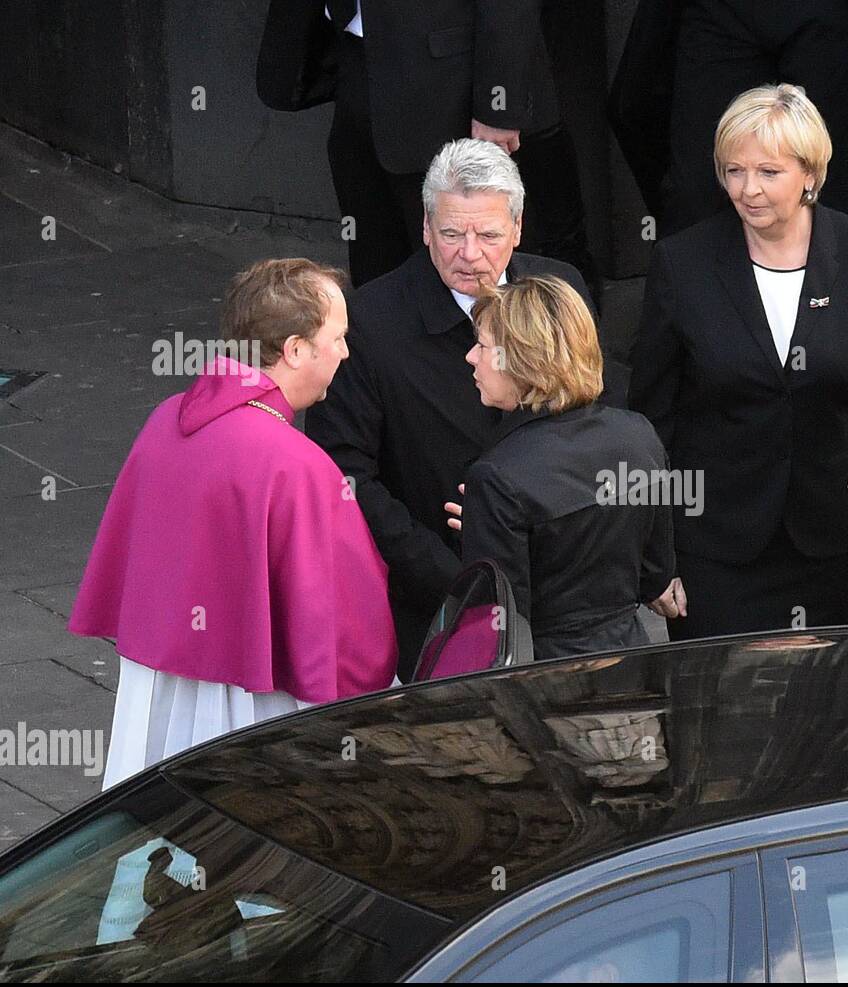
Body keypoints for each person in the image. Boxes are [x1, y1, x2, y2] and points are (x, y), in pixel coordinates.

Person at [69, 259, 397, 789]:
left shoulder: (166, 418)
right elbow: (346, 626)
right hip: (251, 705)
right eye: (336, 337)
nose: (345, 352)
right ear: (294, 350)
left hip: (159, 684)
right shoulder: (296, 463)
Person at [306, 138, 593, 679]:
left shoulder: (561, 290)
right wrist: (458, 578)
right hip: (434, 602)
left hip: (558, 588)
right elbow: (343, 474)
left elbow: (584, 423)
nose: (469, 253)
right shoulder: (369, 320)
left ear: (518, 229)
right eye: (451, 233)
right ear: (424, 229)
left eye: (487, 235)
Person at [628, 84, 848, 641]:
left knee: (819, 706)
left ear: (810, 173)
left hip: (829, 541)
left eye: (768, 173)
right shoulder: (683, 264)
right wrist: (653, 553)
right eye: (733, 171)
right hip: (713, 547)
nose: (747, 190)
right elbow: (651, 420)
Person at [256, 0, 597, 293]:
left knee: (469, 263)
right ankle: (386, 361)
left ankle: (488, 362)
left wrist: (498, 106)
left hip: (454, 80)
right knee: (376, 253)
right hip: (357, 59)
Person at [443, 276, 675, 658]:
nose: (471, 356)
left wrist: (488, 528)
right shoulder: (639, 435)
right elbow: (654, 576)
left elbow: (502, 629)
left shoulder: (497, 477)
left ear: (520, 360)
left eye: (482, 346)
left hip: (548, 682)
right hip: (631, 661)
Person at [610, 1, 848, 234]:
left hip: (825, 13)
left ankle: (836, 292)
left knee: (826, 170)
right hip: (717, 14)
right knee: (699, 186)